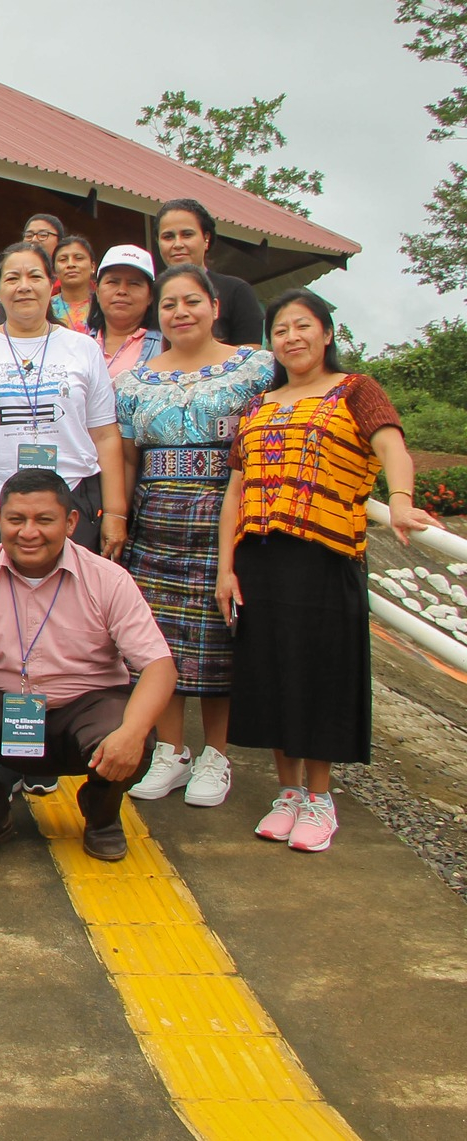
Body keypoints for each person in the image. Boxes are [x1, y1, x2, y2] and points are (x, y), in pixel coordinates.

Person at [217, 290, 434, 853]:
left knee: (321, 675)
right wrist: (226, 568)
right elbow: (236, 492)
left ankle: (320, 797)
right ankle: (286, 792)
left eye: (302, 326)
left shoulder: (356, 390)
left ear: (327, 333)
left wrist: (403, 499)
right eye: (280, 330)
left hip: (325, 557)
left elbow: (390, 446)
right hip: (260, 560)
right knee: (270, 673)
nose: (291, 338)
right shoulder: (260, 404)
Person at [0, 469, 178, 866]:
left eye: (44, 520)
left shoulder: (108, 579)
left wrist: (133, 731)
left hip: (84, 713)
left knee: (131, 726)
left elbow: (159, 666)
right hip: (5, 714)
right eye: (16, 519)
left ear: (71, 522)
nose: (28, 532)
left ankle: (101, 813)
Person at [116, 265, 275, 810]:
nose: (180, 312)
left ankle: (217, 755)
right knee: (156, 638)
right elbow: (128, 455)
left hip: (223, 516)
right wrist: (122, 518)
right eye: (169, 304)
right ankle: (171, 751)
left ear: (214, 306)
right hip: (155, 515)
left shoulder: (254, 368)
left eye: (191, 301)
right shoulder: (134, 380)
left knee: (217, 637)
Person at [0, 241, 128, 560]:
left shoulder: (83, 349)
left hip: (71, 500)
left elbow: (104, 435)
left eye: (34, 276)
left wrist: (116, 514)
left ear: (51, 283)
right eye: (12, 278)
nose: (24, 287)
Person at [157, 198, 264, 347]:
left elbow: (248, 361)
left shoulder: (236, 291)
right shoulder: (150, 296)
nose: (177, 244)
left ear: (206, 238)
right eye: (168, 237)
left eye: (187, 234)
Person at [89, 244, 163, 379]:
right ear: (97, 291)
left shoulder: (165, 345)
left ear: (150, 296)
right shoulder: (79, 345)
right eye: (113, 282)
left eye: (134, 283)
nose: (122, 291)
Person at [48, 234, 98, 334]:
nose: (71, 264)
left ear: (93, 266)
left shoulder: (103, 305)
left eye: (78, 258)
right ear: (53, 270)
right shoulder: (45, 308)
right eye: (63, 260)